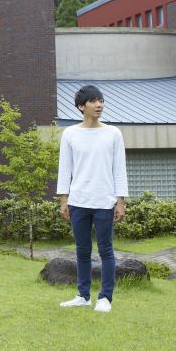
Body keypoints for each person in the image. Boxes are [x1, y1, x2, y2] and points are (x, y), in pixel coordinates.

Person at [56, 85, 128, 312]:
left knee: (106, 250)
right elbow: (64, 169)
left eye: (101, 100)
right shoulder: (70, 134)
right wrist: (64, 200)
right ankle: (83, 296)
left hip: (105, 202)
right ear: (81, 106)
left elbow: (119, 170)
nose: (99, 105)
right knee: (82, 250)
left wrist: (120, 201)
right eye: (94, 101)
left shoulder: (113, 133)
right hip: (78, 202)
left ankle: (105, 298)